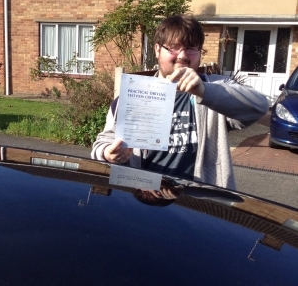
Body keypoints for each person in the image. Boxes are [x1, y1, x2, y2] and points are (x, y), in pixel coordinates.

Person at [91, 15, 269, 190]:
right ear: (157, 50)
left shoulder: (216, 89)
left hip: (201, 205)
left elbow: (259, 106)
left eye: (191, 48)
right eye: (174, 47)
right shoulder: (131, 97)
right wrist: (108, 152)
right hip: (146, 202)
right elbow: (103, 142)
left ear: (200, 52)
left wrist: (204, 91)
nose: (183, 55)